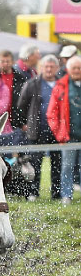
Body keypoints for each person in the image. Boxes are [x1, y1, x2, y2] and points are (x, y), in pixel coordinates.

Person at [17, 54, 61, 200]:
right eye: (46, 66)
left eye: (52, 67)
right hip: (37, 130)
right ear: (41, 67)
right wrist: (25, 123)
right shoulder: (32, 84)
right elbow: (21, 105)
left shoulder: (61, 84)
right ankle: (33, 193)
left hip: (58, 131)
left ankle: (56, 194)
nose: (49, 69)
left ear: (57, 68)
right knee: (35, 163)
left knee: (57, 164)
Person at [47, 55, 81, 206]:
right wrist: (59, 134)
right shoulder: (60, 86)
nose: (77, 70)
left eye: (79, 68)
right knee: (67, 166)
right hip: (69, 136)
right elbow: (51, 113)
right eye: (74, 68)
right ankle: (66, 195)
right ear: (68, 69)